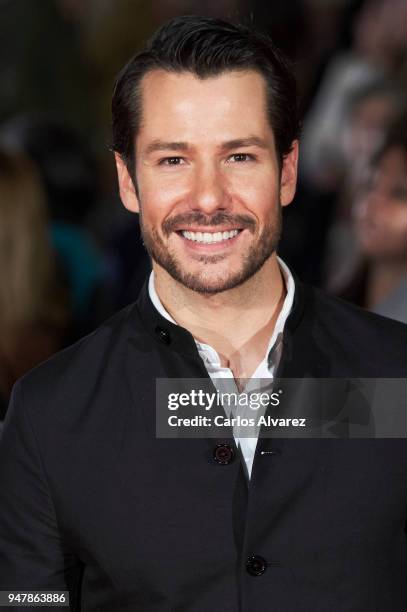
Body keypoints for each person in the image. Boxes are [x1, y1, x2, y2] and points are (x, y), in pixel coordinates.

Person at [1, 15, 407, 612]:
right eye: (172, 161)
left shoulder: (395, 375)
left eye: (239, 156)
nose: (210, 198)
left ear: (287, 172)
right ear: (128, 180)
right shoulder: (49, 415)